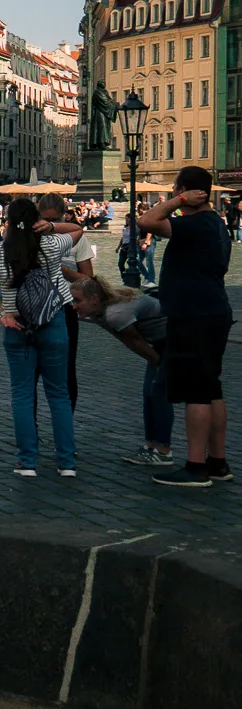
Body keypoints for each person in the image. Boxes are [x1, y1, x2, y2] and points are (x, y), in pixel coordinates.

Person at [140, 167, 234, 487]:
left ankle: (195, 466)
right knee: (211, 389)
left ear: (188, 191)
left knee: (196, 391)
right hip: (213, 311)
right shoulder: (217, 224)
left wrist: (175, 200)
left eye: (179, 190)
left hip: (194, 315)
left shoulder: (195, 224)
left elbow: (146, 221)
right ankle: (218, 462)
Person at [0, 197, 80, 479]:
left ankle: (27, 462)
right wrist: (52, 226)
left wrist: (1, 315)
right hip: (53, 321)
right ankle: (67, 463)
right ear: (36, 219)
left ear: (8, 221)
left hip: (17, 324)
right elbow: (79, 229)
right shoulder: (51, 244)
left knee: (22, 394)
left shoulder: (0, 249)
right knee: (58, 393)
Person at [72, 276, 173, 467]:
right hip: (162, 341)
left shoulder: (115, 313)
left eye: (78, 301)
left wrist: (158, 363)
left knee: (159, 393)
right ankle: (151, 447)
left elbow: (135, 342)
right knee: (149, 394)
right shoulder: (99, 312)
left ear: (94, 299)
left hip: (177, 337)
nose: (74, 306)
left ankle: (163, 452)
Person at [36, 194, 93, 409]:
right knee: (31, 373)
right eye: (46, 220)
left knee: (67, 368)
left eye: (56, 221)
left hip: (66, 306)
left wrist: (61, 269)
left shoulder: (76, 239)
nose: (50, 225)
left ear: (64, 216)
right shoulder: (31, 237)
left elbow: (88, 278)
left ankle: (65, 424)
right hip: (35, 306)